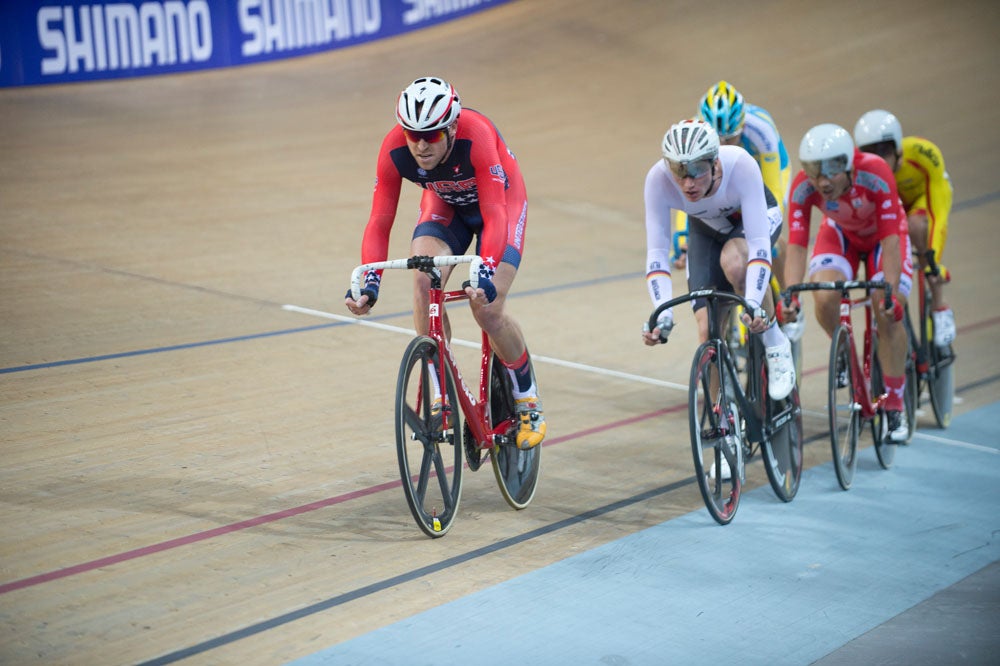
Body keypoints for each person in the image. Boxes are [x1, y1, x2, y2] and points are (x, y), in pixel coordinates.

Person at [344, 76, 544, 449]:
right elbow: (379, 220)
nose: (420, 145)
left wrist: (484, 270)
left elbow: (495, 213)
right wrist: (369, 282)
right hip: (446, 207)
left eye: (432, 135)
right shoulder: (393, 149)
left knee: (488, 308)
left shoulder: (477, 135)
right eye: (412, 133)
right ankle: (440, 387)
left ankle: (527, 399)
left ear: (452, 128)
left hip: (499, 205)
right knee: (423, 280)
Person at [641, 118, 796, 404]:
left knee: (737, 262)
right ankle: (721, 420)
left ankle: (776, 345)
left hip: (754, 222)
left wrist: (752, 301)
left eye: (697, 169)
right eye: (679, 170)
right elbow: (657, 255)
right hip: (707, 230)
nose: (688, 182)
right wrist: (662, 315)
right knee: (707, 330)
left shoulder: (740, 165)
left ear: (715, 163)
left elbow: (760, 247)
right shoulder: (658, 180)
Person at [782, 124, 913, 443]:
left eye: (831, 173)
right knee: (824, 298)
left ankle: (895, 403)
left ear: (849, 165)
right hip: (841, 234)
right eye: (815, 173)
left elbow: (891, 240)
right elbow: (797, 245)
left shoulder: (876, 172)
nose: (823, 182)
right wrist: (790, 296)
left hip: (885, 238)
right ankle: (843, 347)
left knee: (887, 312)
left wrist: (891, 294)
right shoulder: (802, 186)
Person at [853, 109, 956, 348]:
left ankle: (939, 306)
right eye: (870, 152)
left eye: (885, 151)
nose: (878, 158)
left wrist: (933, 260)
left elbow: (936, 214)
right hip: (891, 209)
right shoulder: (860, 171)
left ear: (898, 151)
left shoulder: (923, 154)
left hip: (922, 202)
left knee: (917, 226)